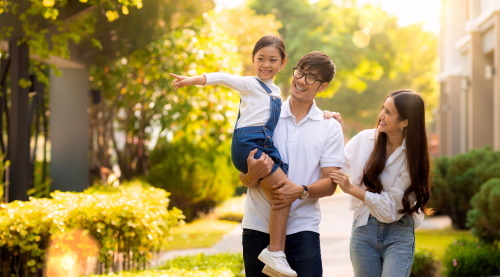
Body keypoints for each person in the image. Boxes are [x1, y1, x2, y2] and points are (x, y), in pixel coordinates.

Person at [170, 35, 299, 276]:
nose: (266, 64)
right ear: (252, 60)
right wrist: (192, 81)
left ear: (283, 63)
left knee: (283, 194)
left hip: (263, 144)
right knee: (284, 191)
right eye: (260, 58)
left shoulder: (275, 90)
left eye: (273, 60)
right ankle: (275, 253)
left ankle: (275, 254)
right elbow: (222, 78)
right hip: (248, 144)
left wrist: (326, 115)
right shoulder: (249, 84)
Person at [240, 51, 344, 277]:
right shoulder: (265, 114)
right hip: (257, 226)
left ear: (323, 86)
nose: (301, 80)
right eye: (300, 72)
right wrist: (251, 177)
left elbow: (330, 184)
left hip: (302, 228)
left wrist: (301, 191)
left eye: (311, 77)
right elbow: (243, 175)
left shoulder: (329, 126)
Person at [328, 89, 433, 277]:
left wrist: (351, 189)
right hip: (364, 229)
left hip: (399, 233)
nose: (381, 115)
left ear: (405, 122)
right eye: (383, 108)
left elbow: (389, 210)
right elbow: (334, 165)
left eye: (388, 112)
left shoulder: (412, 157)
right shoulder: (364, 140)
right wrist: (332, 129)